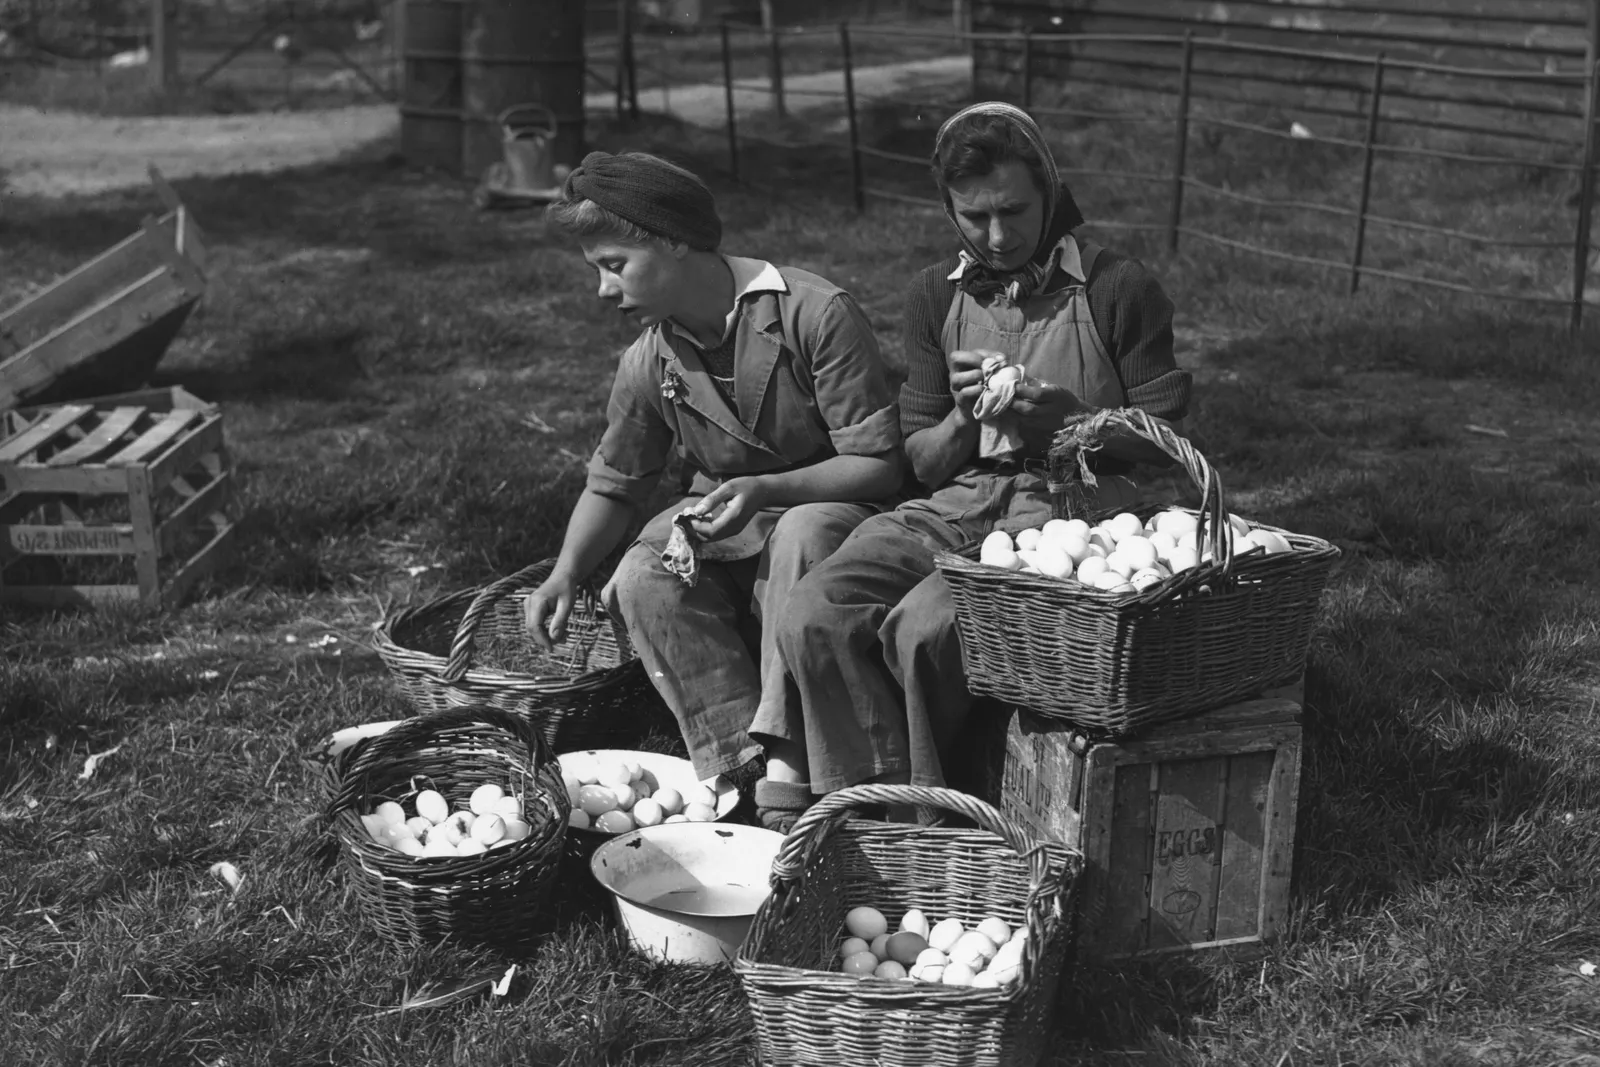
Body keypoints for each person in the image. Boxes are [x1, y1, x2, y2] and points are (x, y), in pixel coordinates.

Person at [751, 102, 1193, 829]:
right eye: (972, 216)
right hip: (961, 499)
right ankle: (872, 805)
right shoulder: (937, 294)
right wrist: (964, 418)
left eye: (1014, 211)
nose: (996, 236)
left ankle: (931, 821)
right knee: (812, 613)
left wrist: (1072, 423)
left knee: (924, 630)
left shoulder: (1118, 288)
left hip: (1071, 507)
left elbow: (1169, 436)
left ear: (1050, 189)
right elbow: (921, 461)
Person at [523, 150, 905, 808]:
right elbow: (615, 482)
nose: (604, 291)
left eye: (615, 266)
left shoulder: (815, 315)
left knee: (802, 532)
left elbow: (879, 464)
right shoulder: (651, 358)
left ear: (673, 240)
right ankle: (739, 764)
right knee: (645, 573)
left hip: (842, 514)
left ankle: (794, 764)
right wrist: (564, 573)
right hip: (736, 525)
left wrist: (769, 491)